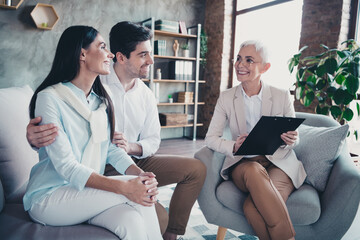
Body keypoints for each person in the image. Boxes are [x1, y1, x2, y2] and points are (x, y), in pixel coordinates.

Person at [26, 21, 206, 240]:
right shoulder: (50, 98)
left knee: (131, 220)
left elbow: (111, 149)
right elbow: (66, 166)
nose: (109, 54)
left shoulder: (99, 100)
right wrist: (125, 186)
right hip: (52, 195)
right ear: (82, 54)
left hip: (86, 192)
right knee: (136, 193)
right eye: (102, 47)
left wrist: (141, 175)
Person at [205, 40, 307, 240]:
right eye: (239, 58)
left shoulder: (281, 95)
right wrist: (233, 145)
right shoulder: (226, 97)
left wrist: (291, 139)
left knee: (251, 208)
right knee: (253, 170)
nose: (240, 65)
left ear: (265, 67)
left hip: (279, 163)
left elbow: (294, 138)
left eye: (249, 60)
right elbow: (211, 138)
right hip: (244, 164)